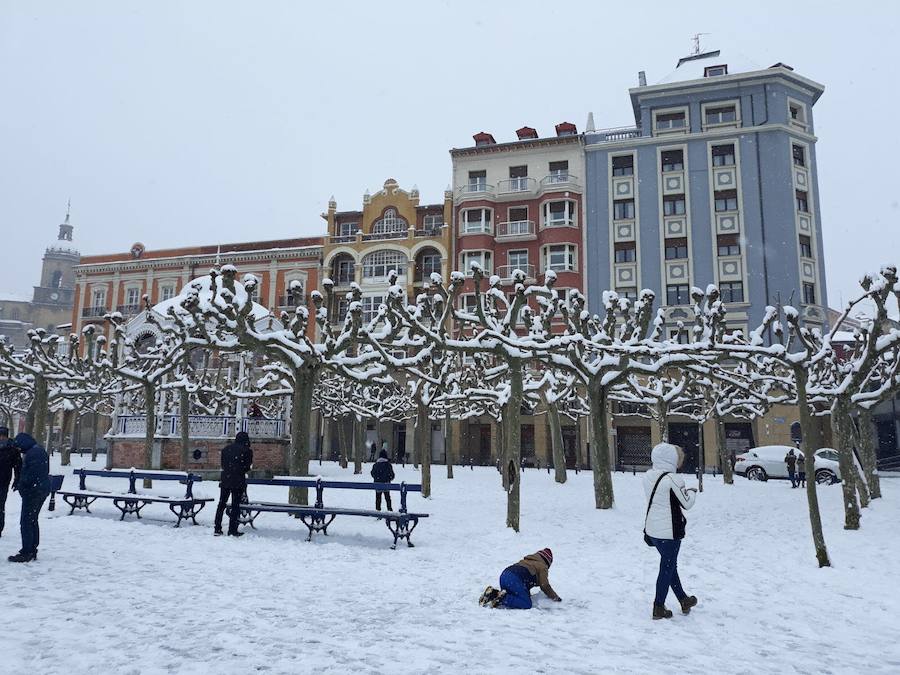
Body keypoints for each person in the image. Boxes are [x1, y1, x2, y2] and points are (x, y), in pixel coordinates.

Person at [643, 443, 698, 620]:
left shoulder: (648, 476)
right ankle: (658, 607)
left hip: (653, 530)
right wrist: (692, 491)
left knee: (669, 565)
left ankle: (683, 599)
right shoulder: (674, 479)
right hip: (670, 533)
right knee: (666, 568)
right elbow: (687, 503)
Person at [9, 433, 50, 563]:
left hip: (33, 491)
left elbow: (30, 475)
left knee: (26, 521)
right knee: (32, 520)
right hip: (39, 490)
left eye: (18, 447)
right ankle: (31, 548)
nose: (18, 450)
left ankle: (28, 551)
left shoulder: (33, 454)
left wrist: (23, 486)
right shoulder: (38, 451)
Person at [479, 548, 561, 609]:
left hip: (504, 575)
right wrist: (555, 597)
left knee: (515, 595)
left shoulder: (527, 560)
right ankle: (501, 598)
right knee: (526, 604)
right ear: (548, 562)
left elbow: (525, 578)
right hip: (514, 580)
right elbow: (545, 585)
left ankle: (493, 594)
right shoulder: (543, 566)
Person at [214, 431, 253, 537]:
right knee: (235, 506)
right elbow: (247, 467)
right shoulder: (247, 451)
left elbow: (223, 464)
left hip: (226, 479)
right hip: (238, 480)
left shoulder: (226, 449)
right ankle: (232, 529)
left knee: (221, 504)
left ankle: (217, 528)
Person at [0, 427, 22, 538]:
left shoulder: (12, 449)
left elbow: (18, 466)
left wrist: (17, 480)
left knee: (0, 505)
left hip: (3, 481)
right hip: (4, 479)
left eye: (2, 436)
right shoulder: (12, 449)